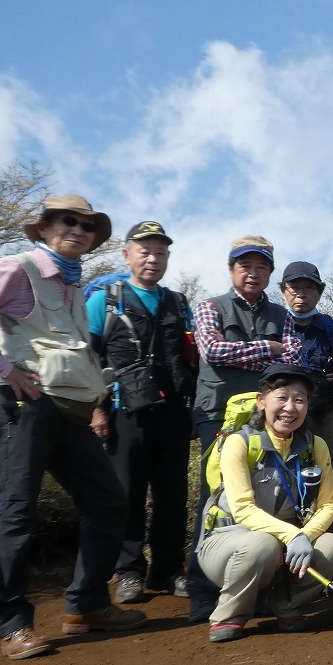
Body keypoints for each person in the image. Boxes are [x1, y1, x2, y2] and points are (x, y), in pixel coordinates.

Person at [0, 195, 146, 660]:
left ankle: (87, 605)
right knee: (15, 512)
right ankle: (10, 623)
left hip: (70, 413)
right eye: (69, 221)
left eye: (88, 226)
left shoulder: (74, 285)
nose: (79, 231)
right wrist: (3, 369)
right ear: (45, 226)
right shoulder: (16, 268)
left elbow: (75, 355)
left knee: (108, 502)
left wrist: (95, 403)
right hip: (24, 406)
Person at [188, 234, 304, 621]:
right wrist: (267, 349)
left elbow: (292, 358)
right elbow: (212, 350)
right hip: (218, 414)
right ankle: (202, 591)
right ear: (231, 270)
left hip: (267, 415)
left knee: (267, 494)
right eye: (245, 266)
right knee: (215, 495)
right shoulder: (210, 306)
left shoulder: (282, 315)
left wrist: (244, 354)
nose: (253, 273)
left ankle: (263, 584)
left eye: (261, 267)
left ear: (270, 273)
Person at [87, 221, 197, 604]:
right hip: (124, 412)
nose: (153, 259)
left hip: (173, 411)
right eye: (145, 251)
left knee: (172, 495)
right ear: (127, 255)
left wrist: (193, 410)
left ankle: (168, 570)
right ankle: (128, 572)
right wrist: (96, 411)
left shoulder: (178, 303)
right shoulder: (104, 300)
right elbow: (89, 358)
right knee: (127, 493)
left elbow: (191, 360)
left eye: (160, 252)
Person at [196, 363, 333, 642]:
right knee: (261, 544)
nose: (290, 407)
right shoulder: (239, 443)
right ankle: (230, 614)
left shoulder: (315, 446)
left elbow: (328, 506)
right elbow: (242, 509)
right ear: (261, 401)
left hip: (288, 548)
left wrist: (304, 535)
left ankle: (287, 605)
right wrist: (293, 535)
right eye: (282, 397)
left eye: (299, 399)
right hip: (230, 543)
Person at [280, 261, 333, 459]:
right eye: (294, 288)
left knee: (326, 461)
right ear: (283, 291)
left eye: (308, 288)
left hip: (323, 408)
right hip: (285, 407)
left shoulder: (330, 326)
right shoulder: (276, 322)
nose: (301, 294)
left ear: (319, 293)